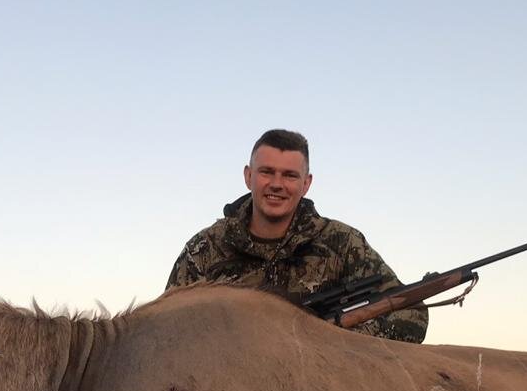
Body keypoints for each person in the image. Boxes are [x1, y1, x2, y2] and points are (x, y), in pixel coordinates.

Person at [166, 129, 427, 343]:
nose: (277, 184)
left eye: (290, 175)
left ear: (306, 184)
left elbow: (411, 313)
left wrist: (332, 339)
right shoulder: (203, 249)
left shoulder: (343, 244)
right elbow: (166, 329)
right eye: (267, 172)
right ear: (248, 176)